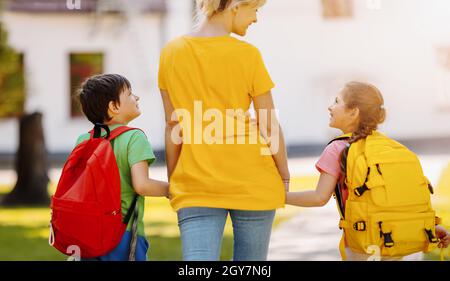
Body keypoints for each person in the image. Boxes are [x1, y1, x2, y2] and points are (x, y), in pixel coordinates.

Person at [158, 0, 289, 261]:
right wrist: (283, 175)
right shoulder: (248, 54)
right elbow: (268, 123)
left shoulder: (171, 52)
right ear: (236, 6)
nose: (256, 19)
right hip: (254, 182)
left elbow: (174, 125)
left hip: (196, 185)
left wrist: (175, 176)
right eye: (256, 10)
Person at [285, 81, 450, 261]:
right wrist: (428, 226)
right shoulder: (390, 147)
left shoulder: (337, 149)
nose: (330, 107)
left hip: (363, 245)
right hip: (392, 242)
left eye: (336, 101)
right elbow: (399, 199)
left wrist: (280, 196)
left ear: (353, 112)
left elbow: (319, 197)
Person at [76, 74, 169, 260]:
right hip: (121, 233)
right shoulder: (134, 138)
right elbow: (142, 185)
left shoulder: (84, 140)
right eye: (130, 94)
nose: (137, 98)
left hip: (86, 232)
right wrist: (172, 189)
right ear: (114, 107)